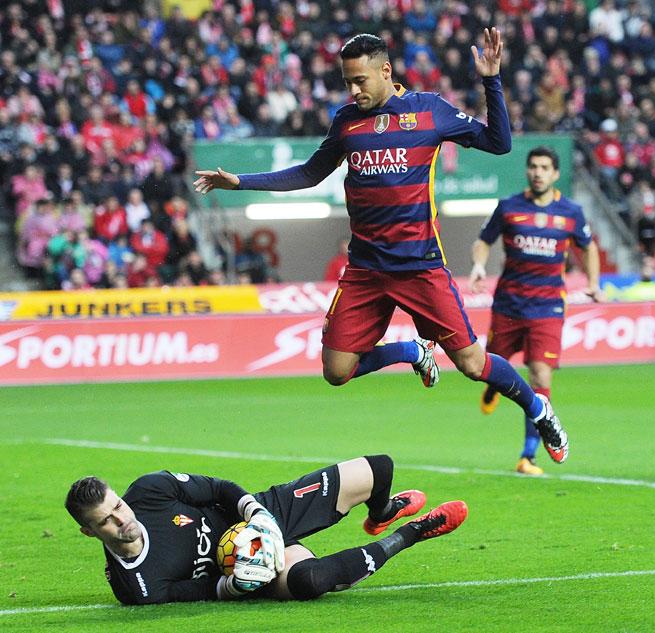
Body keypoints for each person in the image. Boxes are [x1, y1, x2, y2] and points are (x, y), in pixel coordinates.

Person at [193, 31, 569, 464]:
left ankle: (538, 408)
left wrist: (492, 81)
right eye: (347, 82)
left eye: (360, 80)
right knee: (336, 371)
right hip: (366, 271)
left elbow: (499, 143)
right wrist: (242, 182)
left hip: (420, 267)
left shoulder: (429, 111)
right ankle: (410, 351)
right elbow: (309, 174)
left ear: (385, 71)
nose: (354, 90)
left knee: (471, 364)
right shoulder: (347, 120)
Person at [65, 455, 468, 604]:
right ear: (90, 532)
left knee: (378, 468)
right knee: (312, 580)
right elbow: (203, 591)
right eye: (107, 520)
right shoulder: (136, 586)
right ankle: (413, 532)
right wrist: (237, 585)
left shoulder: (149, 491)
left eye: (117, 505)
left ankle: (381, 512)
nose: (123, 518)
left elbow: (219, 488)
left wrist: (257, 515)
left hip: (260, 514)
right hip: (250, 563)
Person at [469, 146, 601, 475]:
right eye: (533, 167)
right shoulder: (509, 207)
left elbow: (589, 247)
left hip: (548, 306)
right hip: (509, 303)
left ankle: (528, 456)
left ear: (555, 174)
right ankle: (493, 386)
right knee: (490, 364)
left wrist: (594, 282)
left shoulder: (571, 212)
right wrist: (478, 266)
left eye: (544, 167)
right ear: (527, 171)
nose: (538, 172)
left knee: (540, 374)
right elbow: (484, 239)